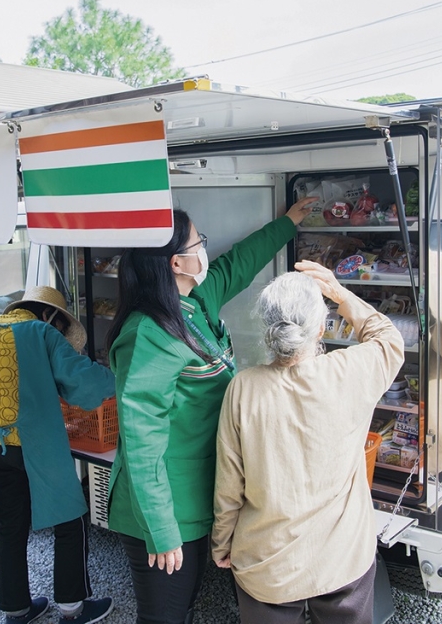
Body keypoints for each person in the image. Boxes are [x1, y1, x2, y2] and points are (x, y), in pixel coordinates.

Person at [106, 198, 317, 624]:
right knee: (164, 615)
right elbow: (142, 445)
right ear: (176, 264)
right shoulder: (149, 333)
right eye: (197, 242)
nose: (203, 248)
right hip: (164, 509)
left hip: (195, 497)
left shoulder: (194, 302)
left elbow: (236, 264)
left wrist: (287, 225)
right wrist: (162, 531)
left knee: (182, 608)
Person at [211, 261, 405, 624]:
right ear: (320, 328)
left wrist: (223, 543)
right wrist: (338, 291)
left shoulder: (243, 388)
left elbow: (229, 484)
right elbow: (388, 336)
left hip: (267, 564)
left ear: (268, 330)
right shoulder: (350, 371)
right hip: (343, 557)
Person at [0, 285, 117, 624]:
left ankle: (17, 610)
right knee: (69, 518)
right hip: (34, 444)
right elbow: (82, 380)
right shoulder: (40, 332)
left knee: (11, 526)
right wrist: (119, 379)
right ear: (50, 316)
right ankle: (73, 609)